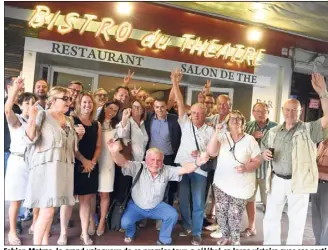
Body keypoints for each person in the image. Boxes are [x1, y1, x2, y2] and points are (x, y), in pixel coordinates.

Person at [261, 72, 328, 245]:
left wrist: (323, 93)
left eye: (295, 110)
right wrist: (263, 154)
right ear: (283, 111)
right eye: (288, 109)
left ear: (300, 111)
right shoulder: (273, 131)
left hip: (298, 182)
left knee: (297, 223)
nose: (290, 113)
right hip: (276, 180)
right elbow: (264, 148)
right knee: (271, 218)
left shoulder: (308, 129)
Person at [107, 141, 210, 245]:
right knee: (125, 222)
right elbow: (122, 163)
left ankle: (164, 240)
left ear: (162, 161)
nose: (155, 163)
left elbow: (185, 169)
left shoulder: (166, 170)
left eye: (159, 160)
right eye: (152, 160)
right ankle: (131, 232)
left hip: (157, 207)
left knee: (172, 214)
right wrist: (114, 153)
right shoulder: (138, 166)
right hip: (136, 207)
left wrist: (198, 163)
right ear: (146, 160)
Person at [24, 86, 78, 245]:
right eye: (65, 98)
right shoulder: (43, 115)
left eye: (70, 98)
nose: (69, 101)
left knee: (51, 210)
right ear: (53, 101)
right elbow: (29, 138)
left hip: (63, 170)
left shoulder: (69, 119)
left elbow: (69, 146)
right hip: (46, 169)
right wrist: (32, 118)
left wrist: (78, 135)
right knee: (47, 211)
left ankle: (44, 242)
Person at [171, 69, 214, 245]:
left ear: (205, 115)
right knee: (182, 201)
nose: (196, 115)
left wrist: (204, 154)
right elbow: (179, 102)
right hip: (182, 166)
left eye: (200, 113)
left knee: (198, 203)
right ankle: (187, 225)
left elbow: (213, 152)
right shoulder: (185, 123)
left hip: (200, 170)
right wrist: (175, 82)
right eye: (194, 112)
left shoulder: (211, 129)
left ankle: (196, 232)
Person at [207, 110, 261, 245]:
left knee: (234, 215)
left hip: (241, 185)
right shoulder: (222, 137)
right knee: (221, 213)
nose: (235, 121)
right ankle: (225, 236)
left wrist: (246, 167)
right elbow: (211, 152)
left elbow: (257, 160)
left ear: (243, 122)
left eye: (238, 119)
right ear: (228, 123)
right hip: (221, 183)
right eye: (232, 119)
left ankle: (235, 240)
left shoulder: (250, 139)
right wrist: (216, 133)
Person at [58, 92, 101, 245]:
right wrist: (84, 161)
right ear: (79, 104)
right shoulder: (71, 120)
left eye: (90, 102)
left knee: (85, 201)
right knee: (68, 201)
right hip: (73, 165)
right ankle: (63, 233)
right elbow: (70, 146)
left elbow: (98, 147)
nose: (87, 105)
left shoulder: (97, 124)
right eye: (84, 102)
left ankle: (84, 233)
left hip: (91, 166)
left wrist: (92, 162)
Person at [5, 76, 37, 245]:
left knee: (35, 197)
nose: (31, 107)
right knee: (16, 199)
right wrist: (15, 90)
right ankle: (12, 231)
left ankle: (34, 226)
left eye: (34, 104)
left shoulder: (36, 122)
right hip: (18, 162)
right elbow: (8, 111)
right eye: (27, 103)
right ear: (22, 104)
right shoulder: (17, 119)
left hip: (34, 164)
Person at [240, 102, 277, 237]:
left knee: (270, 203)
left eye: (264, 111)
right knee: (250, 200)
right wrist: (252, 137)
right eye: (257, 111)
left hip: (267, 171)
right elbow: (240, 145)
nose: (260, 113)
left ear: (268, 112)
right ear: (253, 112)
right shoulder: (247, 126)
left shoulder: (276, 127)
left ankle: (269, 233)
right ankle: (251, 227)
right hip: (251, 170)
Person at [96, 101, 120, 236]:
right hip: (94, 161)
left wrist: (116, 146)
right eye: (110, 108)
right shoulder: (95, 122)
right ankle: (90, 220)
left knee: (105, 193)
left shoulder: (117, 127)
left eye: (115, 110)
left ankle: (101, 221)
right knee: (91, 194)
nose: (112, 112)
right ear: (105, 107)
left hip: (108, 162)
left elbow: (121, 146)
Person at [312, 139, 328, 245]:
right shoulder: (322, 143)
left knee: (326, 219)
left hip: (326, 185)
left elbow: (313, 165)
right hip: (315, 184)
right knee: (316, 218)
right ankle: (317, 244)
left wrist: (313, 167)